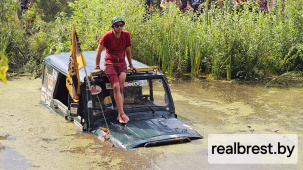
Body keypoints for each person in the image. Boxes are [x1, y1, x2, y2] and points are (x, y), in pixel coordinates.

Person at [95, 16, 137, 124]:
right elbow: (99, 51)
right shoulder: (107, 36)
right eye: (117, 25)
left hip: (122, 63)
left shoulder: (126, 35)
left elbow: (128, 50)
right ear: (113, 26)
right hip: (110, 63)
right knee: (116, 86)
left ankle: (120, 113)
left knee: (121, 87)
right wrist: (97, 66)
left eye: (121, 25)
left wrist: (131, 64)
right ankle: (122, 114)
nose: (120, 27)